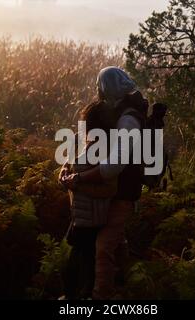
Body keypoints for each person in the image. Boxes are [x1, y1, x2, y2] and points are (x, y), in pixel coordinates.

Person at [60, 66, 147, 300]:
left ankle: (101, 297)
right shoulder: (113, 112)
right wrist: (69, 165)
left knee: (103, 248)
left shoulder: (128, 119)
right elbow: (89, 147)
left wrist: (79, 178)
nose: (98, 93)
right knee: (115, 243)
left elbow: (113, 166)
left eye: (100, 88)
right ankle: (125, 285)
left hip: (122, 194)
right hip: (109, 193)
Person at [60, 100, 117, 300]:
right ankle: (74, 296)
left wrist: (77, 184)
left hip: (92, 218)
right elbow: (73, 163)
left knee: (82, 263)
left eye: (86, 122)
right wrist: (65, 171)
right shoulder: (89, 144)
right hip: (80, 215)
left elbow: (109, 189)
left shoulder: (105, 149)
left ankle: (76, 298)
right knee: (78, 261)